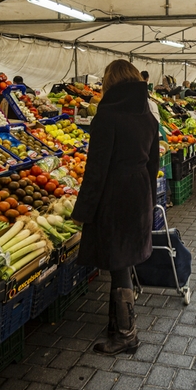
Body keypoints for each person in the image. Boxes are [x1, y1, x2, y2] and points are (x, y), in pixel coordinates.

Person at [70, 60, 159, 355]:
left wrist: (83, 211)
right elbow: (153, 164)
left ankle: (126, 335)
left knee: (119, 261)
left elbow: (96, 169)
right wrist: (150, 198)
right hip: (139, 191)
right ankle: (117, 323)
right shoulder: (148, 116)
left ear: (110, 82)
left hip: (115, 194)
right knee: (125, 257)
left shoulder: (107, 116)